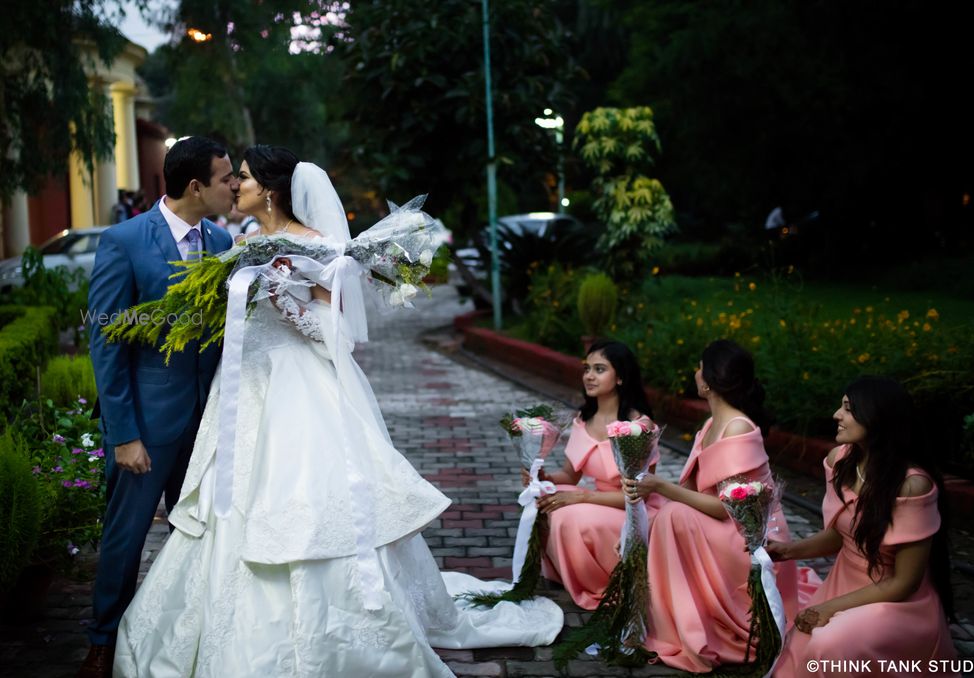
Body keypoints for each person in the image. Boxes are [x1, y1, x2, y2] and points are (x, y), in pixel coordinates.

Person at [113, 145, 563, 677]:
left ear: (272, 191)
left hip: (299, 389)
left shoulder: (323, 247)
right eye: (236, 180)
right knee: (230, 499)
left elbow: (335, 335)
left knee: (309, 500)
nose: (238, 186)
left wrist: (286, 298)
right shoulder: (241, 243)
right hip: (243, 390)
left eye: (248, 179)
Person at [79, 137, 237, 678]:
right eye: (225, 178)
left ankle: (176, 639)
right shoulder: (124, 241)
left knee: (192, 536)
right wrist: (124, 434)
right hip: (146, 424)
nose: (234, 186)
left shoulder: (221, 241)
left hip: (208, 420)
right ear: (195, 186)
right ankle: (102, 642)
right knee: (126, 536)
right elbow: (106, 341)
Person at [624, 339, 800, 672]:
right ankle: (679, 618)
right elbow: (690, 487)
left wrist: (660, 486)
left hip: (748, 536)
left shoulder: (737, 427)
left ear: (709, 380)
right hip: (724, 527)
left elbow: (726, 508)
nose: (695, 373)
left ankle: (691, 623)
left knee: (673, 515)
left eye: (699, 366)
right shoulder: (710, 425)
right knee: (666, 514)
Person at [769, 376, 957, 677]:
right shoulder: (840, 461)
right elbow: (840, 536)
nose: (836, 415)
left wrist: (830, 608)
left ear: (877, 417)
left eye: (847, 408)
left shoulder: (911, 485)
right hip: (844, 582)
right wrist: (787, 550)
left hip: (894, 599)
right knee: (799, 647)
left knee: (829, 644)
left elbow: (904, 582)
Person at [532, 339, 667, 609]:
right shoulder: (584, 419)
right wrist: (542, 477)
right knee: (545, 499)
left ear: (620, 377)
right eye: (587, 369)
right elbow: (570, 476)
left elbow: (639, 494)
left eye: (599, 369)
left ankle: (599, 584)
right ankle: (567, 574)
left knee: (570, 514)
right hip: (599, 499)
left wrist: (581, 497)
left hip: (633, 507)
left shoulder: (638, 426)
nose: (589, 376)